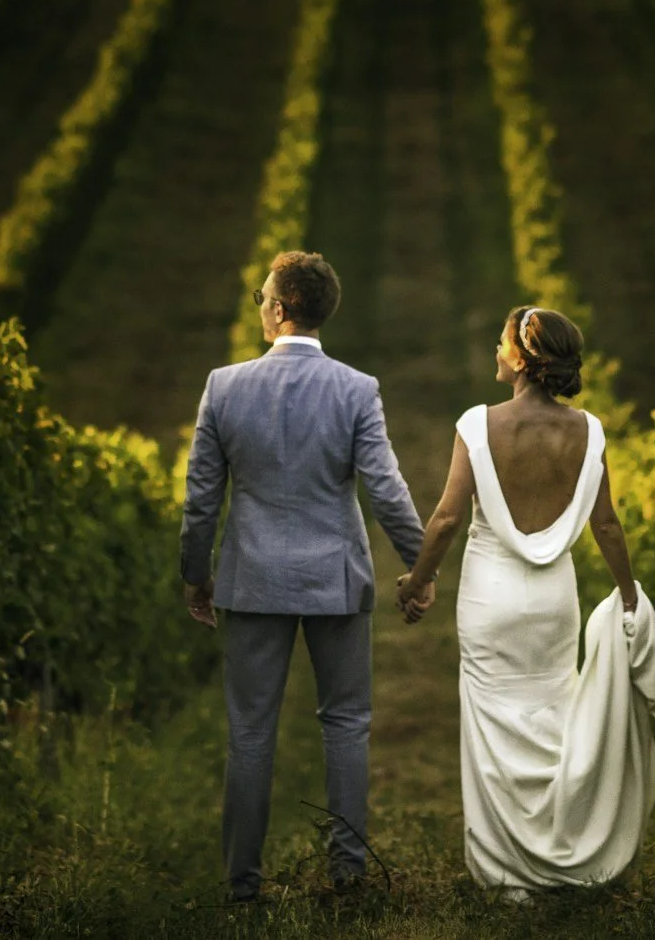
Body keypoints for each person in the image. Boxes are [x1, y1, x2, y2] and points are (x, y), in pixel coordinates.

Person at [395, 306, 655, 897]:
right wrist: (629, 598)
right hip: (554, 600)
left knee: (493, 721)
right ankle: (562, 849)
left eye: (502, 342)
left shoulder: (477, 425)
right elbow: (606, 526)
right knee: (552, 714)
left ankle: (509, 872)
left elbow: (448, 516)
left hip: (490, 597)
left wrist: (419, 579)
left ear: (523, 358)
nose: (495, 351)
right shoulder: (590, 432)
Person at [178, 250, 425, 906]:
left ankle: (242, 885)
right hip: (336, 579)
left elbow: (201, 497)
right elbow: (386, 489)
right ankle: (347, 875)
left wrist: (195, 574)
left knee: (251, 732)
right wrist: (418, 565)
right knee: (345, 724)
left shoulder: (224, 387)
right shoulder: (356, 388)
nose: (261, 304)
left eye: (264, 296)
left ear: (282, 308)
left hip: (251, 579)